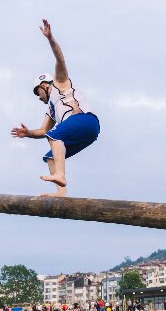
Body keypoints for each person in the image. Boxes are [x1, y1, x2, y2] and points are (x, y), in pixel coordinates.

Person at [11, 19, 100, 196]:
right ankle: (62, 193)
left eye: (38, 93)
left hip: (85, 120)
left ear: (44, 85)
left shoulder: (60, 82)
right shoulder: (51, 109)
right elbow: (43, 130)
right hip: (87, 133)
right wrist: (27, 133)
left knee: (55, 134)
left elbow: (60, 59)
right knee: (50, 156)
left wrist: (50, 39)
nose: (39, 98)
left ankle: (60, 174)